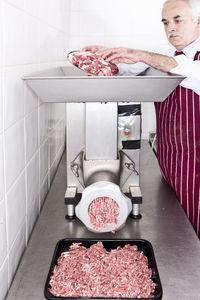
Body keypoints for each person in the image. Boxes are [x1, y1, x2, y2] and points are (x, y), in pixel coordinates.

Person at [83, 0, 200, 238]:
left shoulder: (174, 59)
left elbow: (184, 68)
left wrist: (140, 54)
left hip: (196, 165)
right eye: (166, 22)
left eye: (178, 20)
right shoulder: (164, 53)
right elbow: (129, 69)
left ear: (198, 21)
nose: (171, 28)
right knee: (179, 227)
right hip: (169, 160)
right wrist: (106, 59)